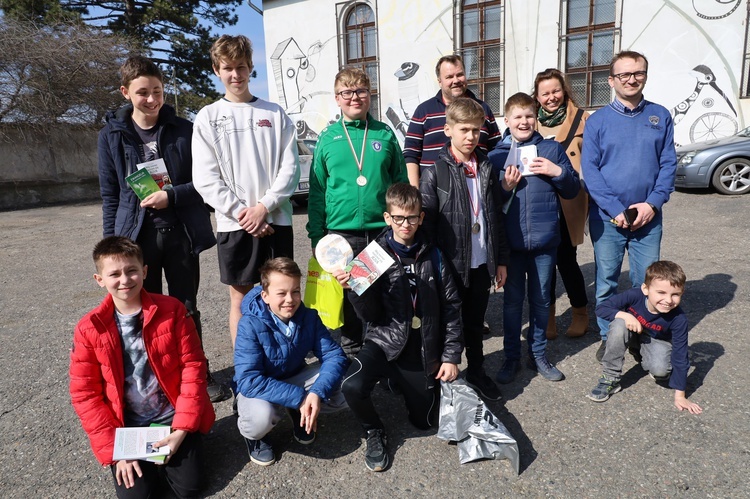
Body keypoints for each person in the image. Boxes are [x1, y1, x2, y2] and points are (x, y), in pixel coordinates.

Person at [97, 55, 226, 402]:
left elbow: (204, 184)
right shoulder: (111, 136)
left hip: (180, 232)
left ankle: (197, 371)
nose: (152, 99)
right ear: (125, 92)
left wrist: (170, 196)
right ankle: (156, 372)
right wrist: (112, 247)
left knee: (185, 306)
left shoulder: (185, 130)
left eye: (157, 91)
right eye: (142, 92)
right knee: (144, 307)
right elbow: (110, 194)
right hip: (137, 239)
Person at [70, 236, 215, 498]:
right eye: (114, 274)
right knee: (137, 496)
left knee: (190, 488)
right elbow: (85, 395)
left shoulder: (172, 310)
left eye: (132, 270)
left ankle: (188, 440)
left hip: (171, 418)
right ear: (99, 279)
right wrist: (117, 452)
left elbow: (193, 368)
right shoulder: (88, 328)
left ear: (145, 271)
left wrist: (181, 430)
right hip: (127, 428)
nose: (124, 280)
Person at [334, 183, 463, 472]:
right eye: (399, 218)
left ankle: (401, 381)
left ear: (421, 217)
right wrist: (353, 289)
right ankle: (374, 430)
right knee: (351, 385)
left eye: (413, 217)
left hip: (421, 346)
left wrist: (451, 356)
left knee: (424, 422)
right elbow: (371, 314)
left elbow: (453, 307)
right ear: (387, 218)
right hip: (384, 340)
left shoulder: (435, 255)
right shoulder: (371, 255)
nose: (406, 225)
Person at [192, 35, 300, 349]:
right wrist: (245, 214)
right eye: (228, 68)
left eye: (241, 67)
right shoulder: (208, 117)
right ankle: (247, 369)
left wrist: (264, 207)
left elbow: (290, 168)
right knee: (240, 299)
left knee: (282, 296)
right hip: (234, 224)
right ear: (216, 70)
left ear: (251, 67)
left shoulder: (275, 113)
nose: (236, 74)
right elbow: (205, 178)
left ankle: (283, 360)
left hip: (275, 220)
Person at [580, 51, 677, 362]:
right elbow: (590, 171)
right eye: (624, 75)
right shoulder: (597, 122)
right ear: (611, 81)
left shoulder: (660, 116)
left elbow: (668, 164)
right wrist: (614, 209)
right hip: (608, 219)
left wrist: (653, 203)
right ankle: (610, 337)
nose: (632, 79)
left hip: (648, 218)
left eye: (638, 73)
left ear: (645, 75)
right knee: (607, 281)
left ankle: (642, 337)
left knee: (645, 283)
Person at [307, 67, 408, 359]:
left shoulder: (384, 133)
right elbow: (316, 192)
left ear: (369, 95)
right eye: (347, 92)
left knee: (384, 296)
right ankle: (353, 357)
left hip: (380, 233)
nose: (355, 97)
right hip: (342, 237)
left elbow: (400, 183)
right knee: (351, 298)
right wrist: (316, 235)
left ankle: (385, 353)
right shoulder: (327, 138)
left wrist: (401, 227)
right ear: (337, 98)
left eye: (361, 91)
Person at [420, 97, 508, 401]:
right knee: (445, 322)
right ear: (448, 130)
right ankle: (441, 377)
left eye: (476, 130)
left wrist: (501, 260)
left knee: (474, 321)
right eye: (464, 130)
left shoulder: (486, 166)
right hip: (449, 265)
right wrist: (434, 265)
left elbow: (496, 215)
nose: (470, 137)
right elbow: (427, 225)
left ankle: (478, 371)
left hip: (481, 261)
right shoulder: (434, 172)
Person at [488, 92, 580, 384]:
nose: (524, 121)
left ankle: (538, 354)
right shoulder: (496, 156)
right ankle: (511, 356)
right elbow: (489, 202)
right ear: (507, 121)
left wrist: (557, 172)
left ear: (535, 117)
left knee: (541, 301)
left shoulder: (551, 150)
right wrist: (504, 186)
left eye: (529, 116)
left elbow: (572, 189)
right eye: (518, 117)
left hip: (544, 242)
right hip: (512, 245)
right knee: (513, 303)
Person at [234, 257, 348, 466]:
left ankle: (297, 411)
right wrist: (301, 397)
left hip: (294, 377)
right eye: (281, 293)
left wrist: (316, 392)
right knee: (260, 419)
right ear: (265, 296)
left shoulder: (308, 317)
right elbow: (248, 380)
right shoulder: (249, 324)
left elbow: (334, 356)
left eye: (295, 291)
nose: (290, 299)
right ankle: (255, 438)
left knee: (348, 386)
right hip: (260, 388)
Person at [586, 261, 703, 414]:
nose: (668, 300)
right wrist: (625, 315)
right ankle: (610, 377)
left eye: (675, 294)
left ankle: (638, 352)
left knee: (661, 371)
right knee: (619, 324)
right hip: (632, 330)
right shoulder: (635, 295)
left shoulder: (679, 318)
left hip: (656, 340)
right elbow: (602, 308)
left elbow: (681, 355)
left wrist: (680, 396)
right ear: (645, 289)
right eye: (661, 292)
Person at [532, 68, 590, 340]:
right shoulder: (531, 121)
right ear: (537, 96)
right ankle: (549, 315)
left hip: (569, 198)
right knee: (544, 261)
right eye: (545, 93)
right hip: (540, 201)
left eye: (556, 91)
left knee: (567, 260)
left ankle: (580, 312)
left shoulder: (581, 119)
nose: (551, 97)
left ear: (564, 91)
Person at [403, 54, 501, 187]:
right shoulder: (424, 111)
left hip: (476, 190)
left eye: (459, 74)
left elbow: (496, 149)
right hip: (434, 194)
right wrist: (416, 194)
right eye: (449, 77)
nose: (456, 80)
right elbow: (411, 155)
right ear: (439, 81)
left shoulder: (483, 109)